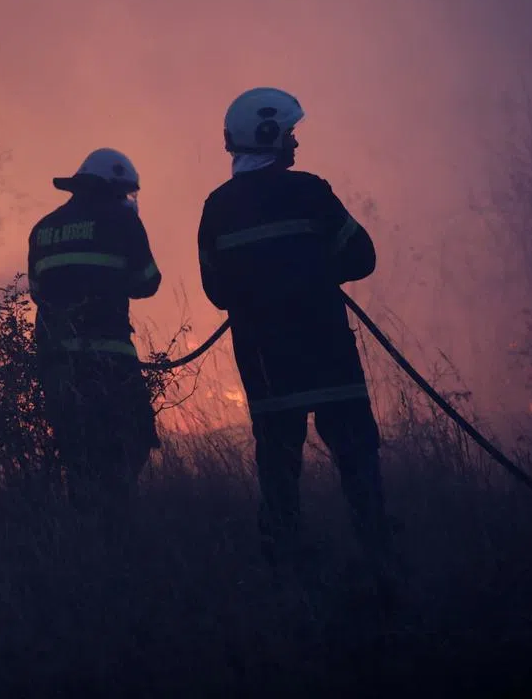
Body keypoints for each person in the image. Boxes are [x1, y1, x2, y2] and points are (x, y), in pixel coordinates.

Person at [197, 87, 394, 577]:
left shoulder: (216, 209)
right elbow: (362, 257)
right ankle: (379, 558)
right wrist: (312, 270)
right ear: (269, 135)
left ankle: (284, 568)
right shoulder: (310, 192)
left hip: (266, 363)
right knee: (357, 459)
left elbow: (216, 290)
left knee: (279, 469)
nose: (295, 144)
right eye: (289, 133)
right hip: (327, 353)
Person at [27, 147, 162, 512]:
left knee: (77, 452)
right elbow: (148, 282)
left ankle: (84, 533)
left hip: (56, 364)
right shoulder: (121, 222)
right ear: (112, 189)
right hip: (109, 359)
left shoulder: (43, 229)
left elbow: (38, 292)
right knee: (132, 439)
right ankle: (115, 523)